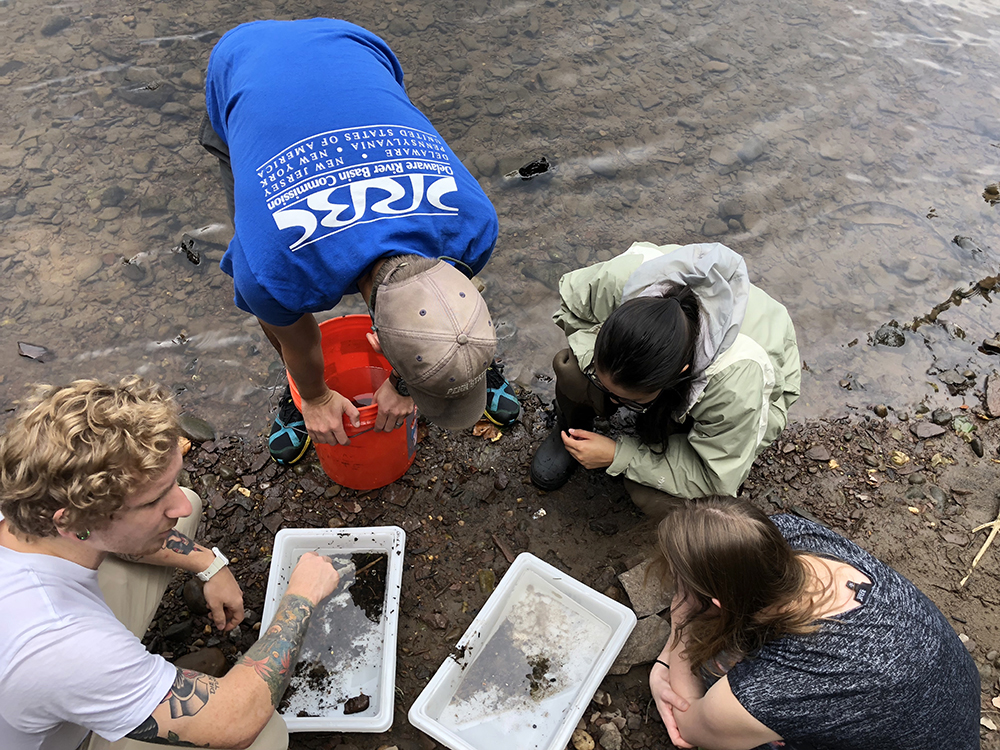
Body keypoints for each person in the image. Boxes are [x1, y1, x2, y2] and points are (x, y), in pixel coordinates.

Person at [199, 18, 519, 466]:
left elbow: (456, 297)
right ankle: (296, 397)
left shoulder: (471, 227)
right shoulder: (277, 271)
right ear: (375, 342)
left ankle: (463, 367)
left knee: (445, 322)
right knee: (253, 225)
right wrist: (315, 398)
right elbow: (293, 335)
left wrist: (404, 382)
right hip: (242, 62)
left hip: (357, 50)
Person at [0, 378, 342, 750]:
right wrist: (301, 598)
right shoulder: (60, 644)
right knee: (264, 736)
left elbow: (118, 529)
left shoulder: (29, 496)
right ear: (73, 522)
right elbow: (235, 720)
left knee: (190, 507)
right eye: (153, 501)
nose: (177, 506)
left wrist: (209, 563)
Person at [647, 497, 979, 750]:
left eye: (680, 588)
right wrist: (666, 660)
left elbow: (688, 725)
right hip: (945, 700)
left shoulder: (773, 688)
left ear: (716, 603)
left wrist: (681, 622)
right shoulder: (791, 534)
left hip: (925, 731)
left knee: (713, 679)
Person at [529, 241, 800, 517]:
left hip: (757, 393)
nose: (614, 402)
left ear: (679, 375)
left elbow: (716, 480)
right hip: (676, 366)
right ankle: (570, 428)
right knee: (573, 370)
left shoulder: (738, 384)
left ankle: (674, 423)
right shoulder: (621, 279)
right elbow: (572, 307)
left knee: (651, 495)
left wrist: (619, 455)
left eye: (628, 401)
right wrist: (596, 369)